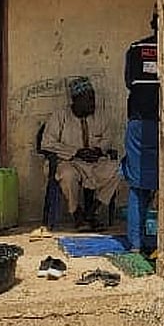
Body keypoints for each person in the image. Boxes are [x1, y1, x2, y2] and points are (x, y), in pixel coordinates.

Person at [40, 77, 121, 229]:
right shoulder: (60, 116)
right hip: (67, 162)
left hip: (94, 162)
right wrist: (75, 152)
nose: (93, 103)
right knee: (67, 175)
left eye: (93, 98)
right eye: (88, 99)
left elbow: (108, 137)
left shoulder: (101, 116)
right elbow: (47, 143)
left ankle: (93, 211)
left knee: (118, 170)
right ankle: (77, 213)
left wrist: (98, 150)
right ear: (76, 100)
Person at [121, 11, 161, 253]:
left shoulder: (136, 48)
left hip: (138, 123)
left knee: (137, 185)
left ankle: (136, 244)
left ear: (152, 23)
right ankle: (159, 242)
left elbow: (129, 82)